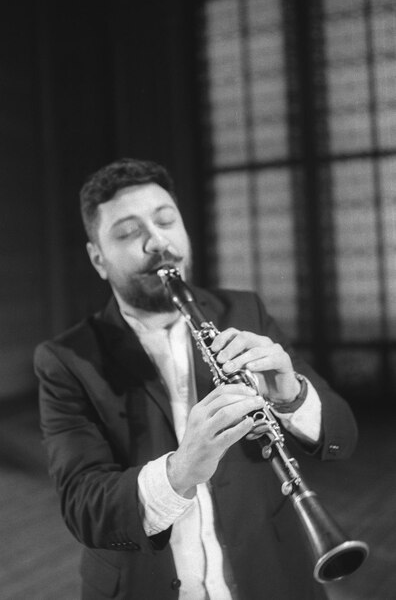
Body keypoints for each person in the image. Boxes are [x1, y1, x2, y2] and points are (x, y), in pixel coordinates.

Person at [34, 157, 358, 600]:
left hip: (273, 577)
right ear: (98, 259)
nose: (156, 241)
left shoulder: (245, 312)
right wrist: (181, 470)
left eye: (166, 221)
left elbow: (343, 433)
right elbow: (85, 508)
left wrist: (292, 395)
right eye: (128, 233)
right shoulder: (65, 359)